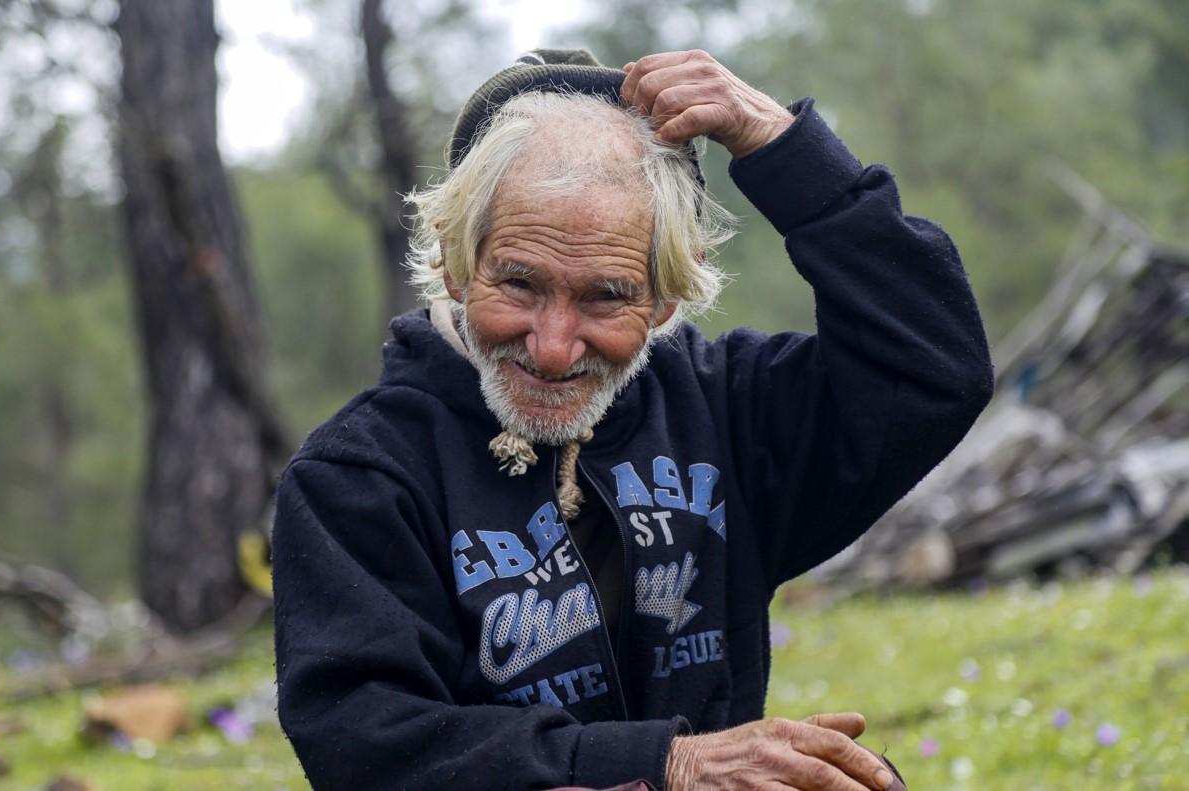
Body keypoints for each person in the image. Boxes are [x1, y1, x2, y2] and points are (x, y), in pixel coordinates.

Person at [271, 48, 992, 791]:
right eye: (518, 283)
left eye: (605, 297)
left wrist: (782, 147)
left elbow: (931, 368)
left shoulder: (724, 412)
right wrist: (665, 765)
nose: (552, 348)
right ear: (456, 263)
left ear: (664, 301)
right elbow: (364, 740)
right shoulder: (359, 476)